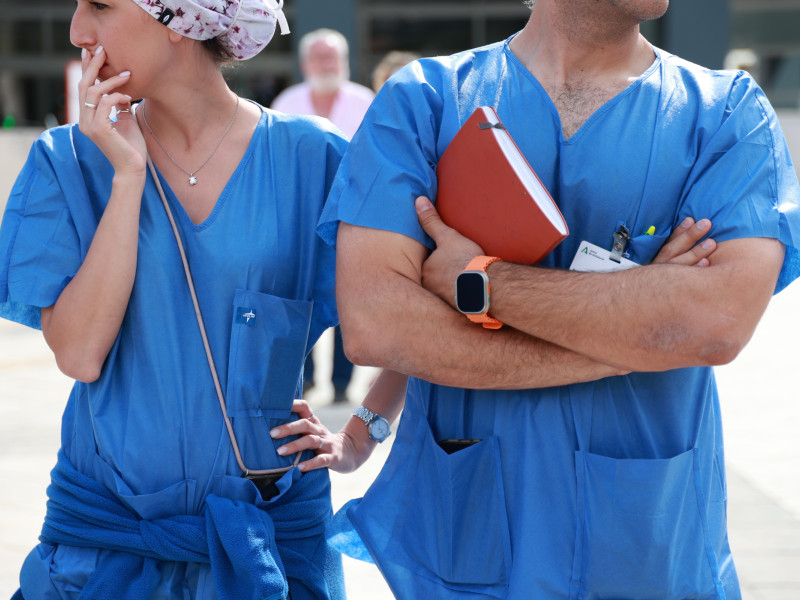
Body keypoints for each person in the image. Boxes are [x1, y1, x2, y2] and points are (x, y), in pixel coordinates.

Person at [308, 0, 800, 598]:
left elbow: (714, 323)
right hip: (468, 531)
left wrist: (480, 283)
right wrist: (637, 332)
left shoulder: (725, 114)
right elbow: (377, 325)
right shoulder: (426, 101)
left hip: (644, 542)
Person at [0, 0, 384, 597]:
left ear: (180, 20)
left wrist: (360, 436)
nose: (78, 30)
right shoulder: (68, 162)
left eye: (99, 5)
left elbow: (420, 312)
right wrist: (128, 177)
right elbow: (78, 355)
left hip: (270, 545)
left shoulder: (314, 158)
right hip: (105, 551)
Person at [271, 27, 375, 403]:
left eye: (332, 57)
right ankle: (310, 379)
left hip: (354, 219)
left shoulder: (367, 101)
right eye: (318, 57)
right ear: (304, 64)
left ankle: (346, 384)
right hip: (301, 220)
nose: (326, 64)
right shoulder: (286, 102)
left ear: (345, 62)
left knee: (349, 299)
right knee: (305, 297)